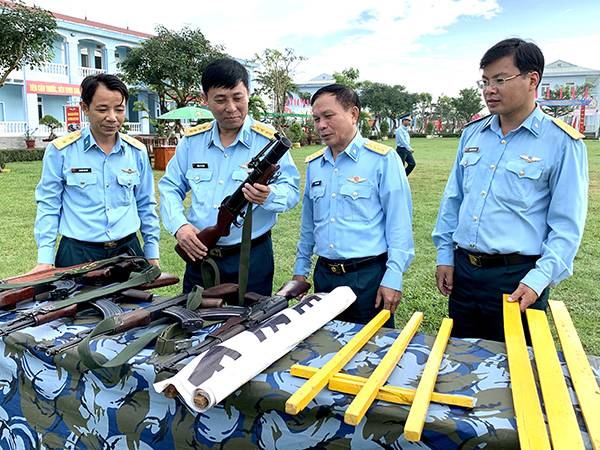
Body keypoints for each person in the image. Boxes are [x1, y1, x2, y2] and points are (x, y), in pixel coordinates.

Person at [432, 38, 588, 342]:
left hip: (516, 278)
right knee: (460, 358)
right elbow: (454, 199)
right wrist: (445, 256)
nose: (489, 90)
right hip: (464, 272)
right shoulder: (473, 134)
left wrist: (538, 280)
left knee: (513, 371)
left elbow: (567, 224)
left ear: (532, 80)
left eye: (500, 80)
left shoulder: (561, 143)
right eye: (485, 81)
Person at [159, 58, 300, 296]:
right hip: (200, 254)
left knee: (252, 329)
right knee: (193, 324)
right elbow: (170, 186)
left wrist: (269, 196)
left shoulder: (268, 142)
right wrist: (180, 227)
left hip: (252, 258)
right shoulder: (192, 142)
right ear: (205, 100)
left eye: (238, 97)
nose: (231, 108)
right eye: (221, 99)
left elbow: (292, 191)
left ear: (248, 93)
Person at [292, 84, 414, 328]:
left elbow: (399, 224)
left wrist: (393, 277)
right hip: (324, 275)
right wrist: (300, 271)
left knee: (370, 353)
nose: (321, 125)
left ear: (353, 114)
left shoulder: (383, 160)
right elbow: (308, 226)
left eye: (328, 116)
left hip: (367, 277)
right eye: (316, 119)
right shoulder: (315, 164)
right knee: (324, 348)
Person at [32, 74, 160, 271]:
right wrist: (44, 259)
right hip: (78, 253)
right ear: (85, 108)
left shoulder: (137, 151)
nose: (112, 117)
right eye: (102, 109)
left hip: (128, 252)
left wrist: (151, 252)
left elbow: (146, 204)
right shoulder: (61, 151)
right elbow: (49, 204)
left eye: (119, 109)